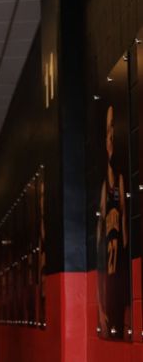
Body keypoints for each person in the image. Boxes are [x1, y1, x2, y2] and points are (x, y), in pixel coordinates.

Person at [96, 105, 129, 338]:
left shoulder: (120, 181)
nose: (110, 137)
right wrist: (100, 307)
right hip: (108, 285)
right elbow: (98, 254)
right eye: (107, 132)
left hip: (120, 280)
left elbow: (126, 242)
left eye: (113, 131)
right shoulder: (103, 189)